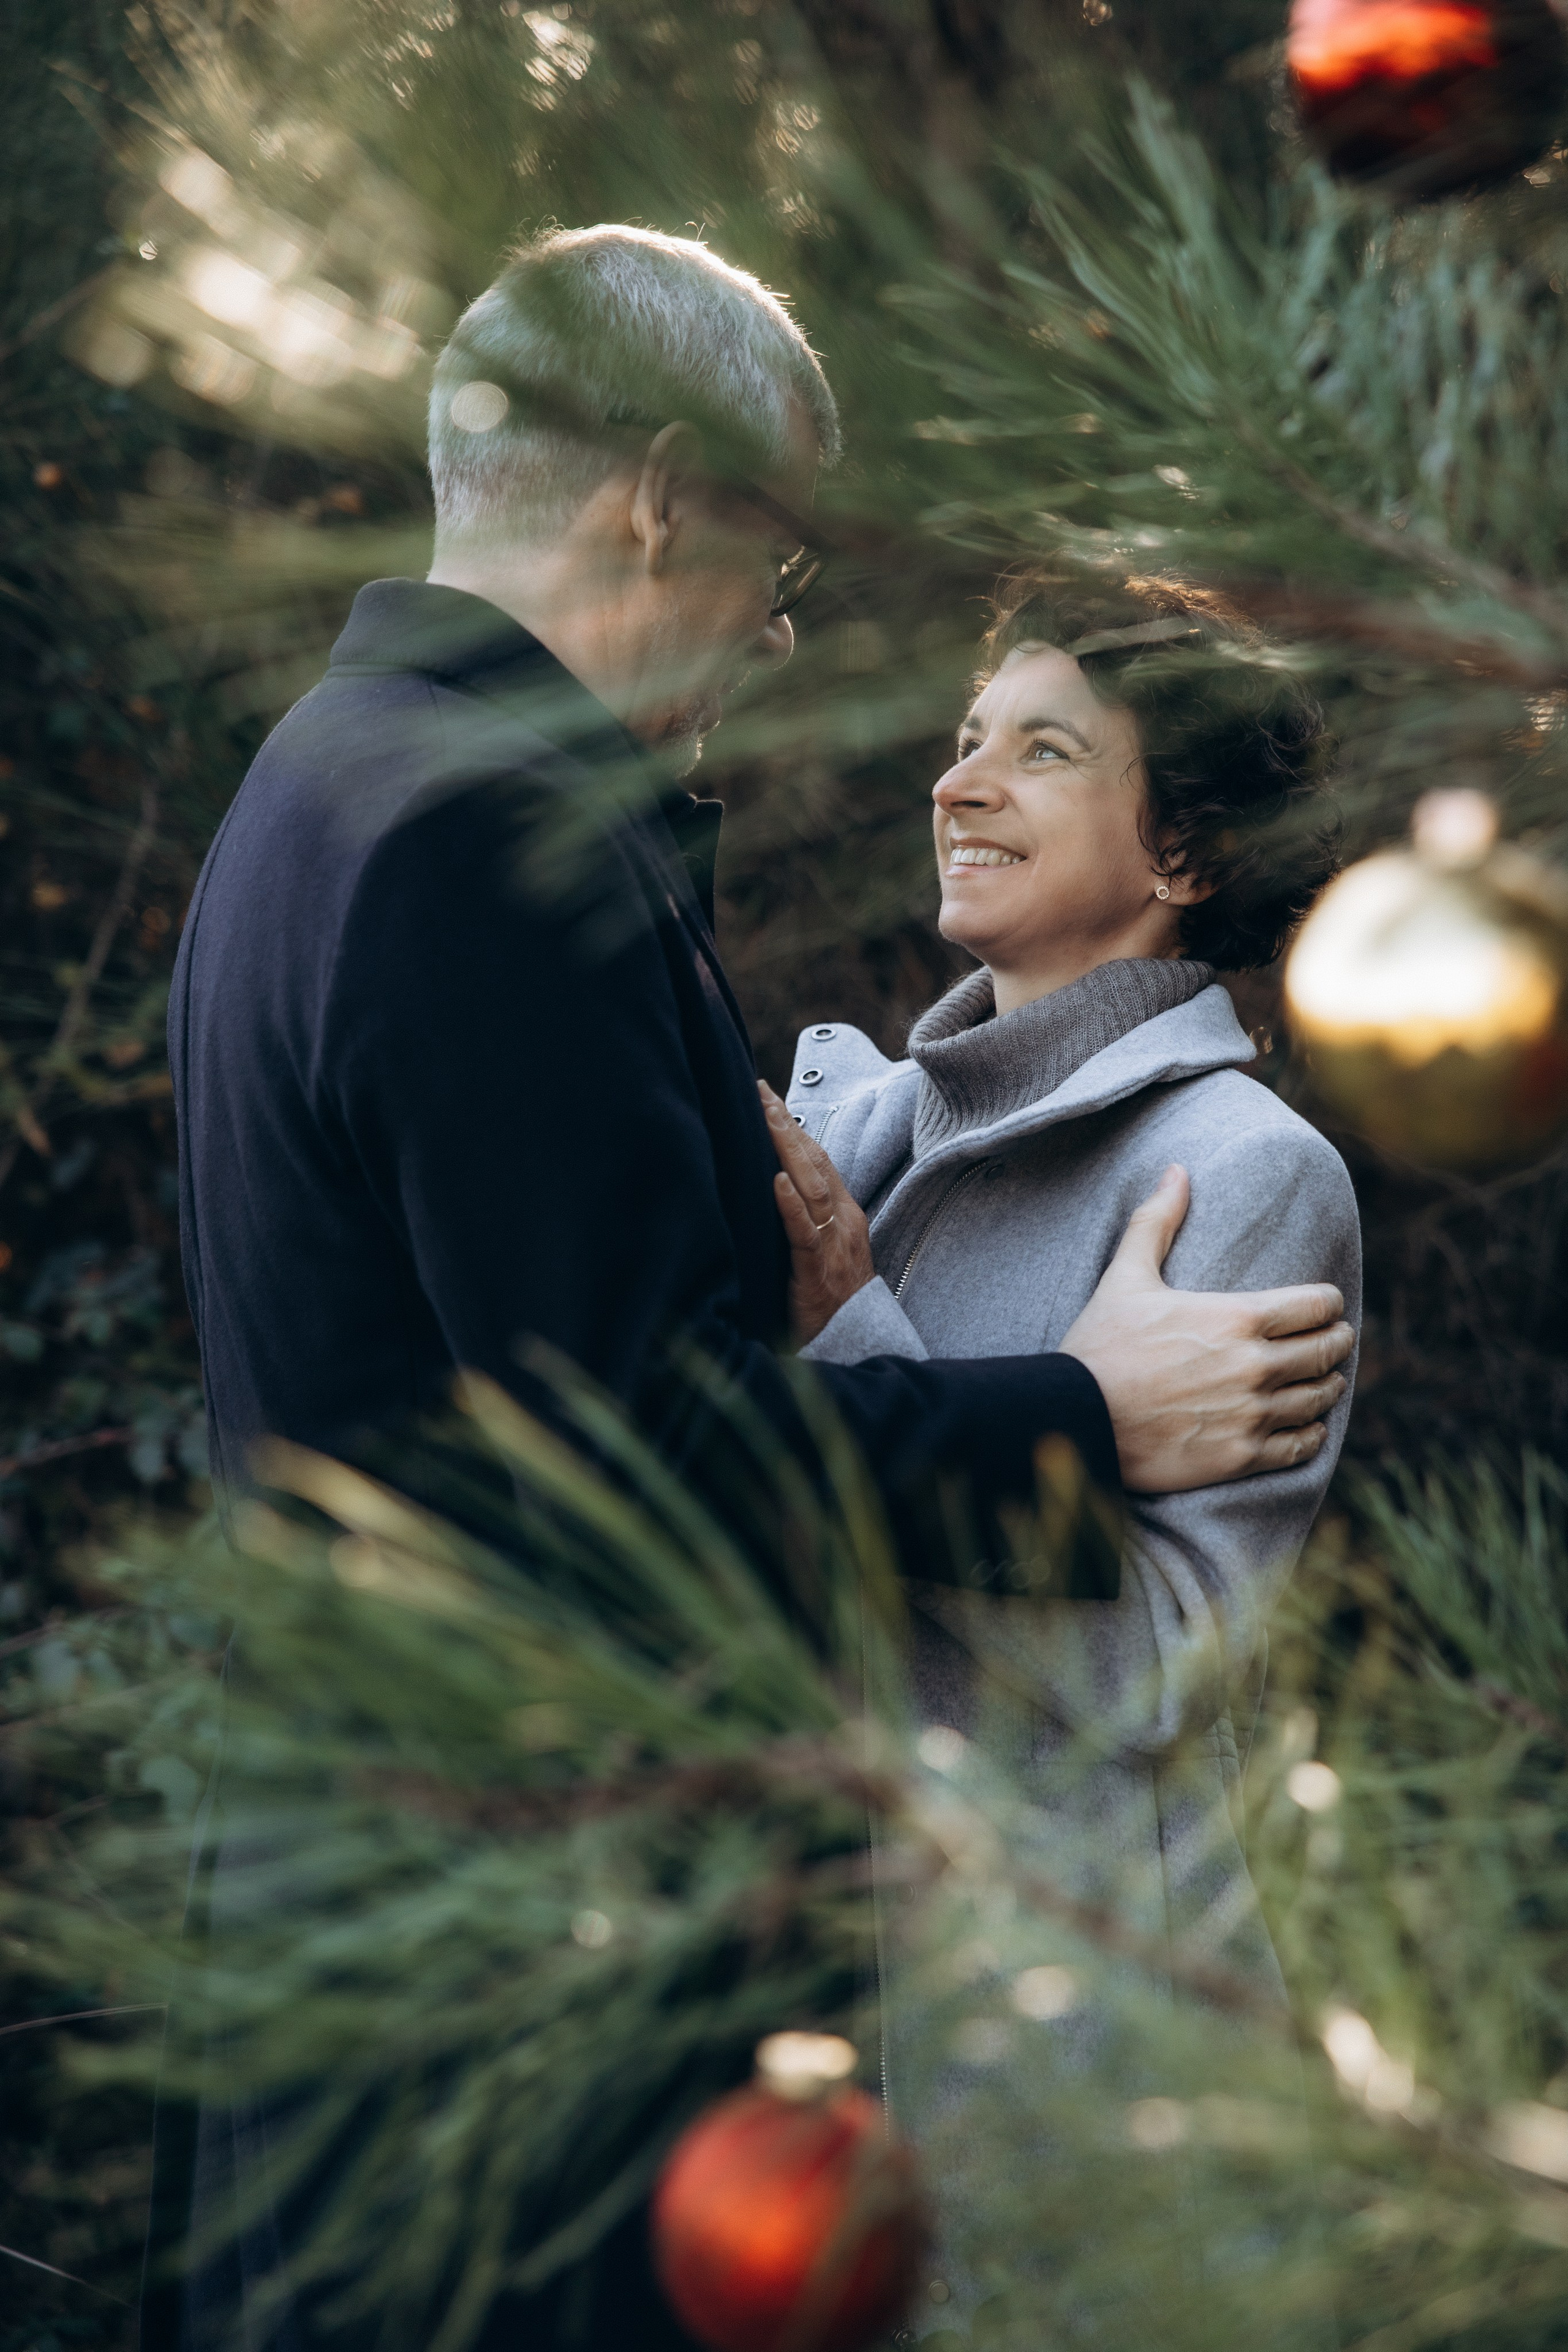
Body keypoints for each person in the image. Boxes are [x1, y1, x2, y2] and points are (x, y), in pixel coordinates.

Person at [154, 228, 1353, 2351]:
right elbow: (636, 1452)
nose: (783, 636)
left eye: (1041, 748)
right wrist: (1082, 1417)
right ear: (656, 500)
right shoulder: (483, 836)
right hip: (519, 1962)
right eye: (779, 563)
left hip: (423, 1918)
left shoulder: (321, 779)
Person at [775, 569, 1362, 2320]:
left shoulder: (1248, 1171)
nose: (958, 784)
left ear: (1185, 850)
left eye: (1040, 752)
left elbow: (1165, 1664)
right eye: (967, 740)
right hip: (810, 2007)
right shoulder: (855, 1132)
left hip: (1076, 2048)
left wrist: (853, 1332)